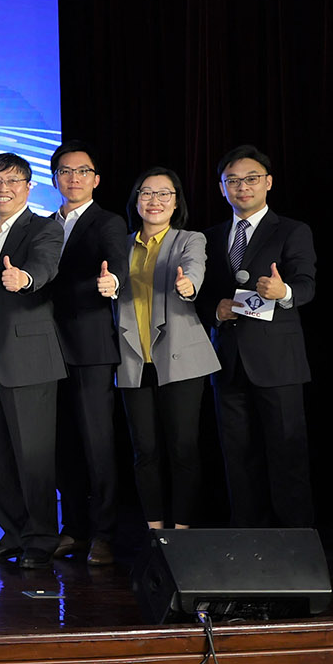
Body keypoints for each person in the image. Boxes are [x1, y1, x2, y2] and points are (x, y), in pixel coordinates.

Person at [201, 144, 317, 528]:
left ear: (268, 182)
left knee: (288, 456)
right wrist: (214, 310)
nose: (242, 187)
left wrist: (283, 292)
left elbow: (307, 285)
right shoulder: (210, 236)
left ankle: (295, 544)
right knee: (237, 459)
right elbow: (202, 295)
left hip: (277, 363)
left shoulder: (292, 230)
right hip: (227, 362)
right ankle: (248, 540)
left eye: (251, 178)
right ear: (222, 188)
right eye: (232, 180)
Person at [0, 152, 66, 570]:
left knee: (33, 452)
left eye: (12, 181)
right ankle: (13, 532)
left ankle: (41, 538)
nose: (2, 188)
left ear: (28, 187)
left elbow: (45, 266)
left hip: (27, 354)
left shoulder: (44, 227)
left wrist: (24, 279)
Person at [116, 167, 218, 530]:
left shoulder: (189, 239)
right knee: (144, 451)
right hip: (133, 358)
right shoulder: (121, 244)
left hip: (181, 358)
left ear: (176, 203)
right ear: (136, 201)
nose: (154, 200)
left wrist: (189, 286)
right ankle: (155, 532)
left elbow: (194, 270)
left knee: (183, 449)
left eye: (164, 194)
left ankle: (183, 532)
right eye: (146, 193)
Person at [46, 141, 129, 566]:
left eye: (82, 171)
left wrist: (112, 283)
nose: (73, 178)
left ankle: (105, 533)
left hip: (91, 345)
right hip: (46, 347)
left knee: (97, 443)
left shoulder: (107, 222)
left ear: (95, 179)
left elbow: (118, 265)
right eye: (65, 171)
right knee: (62, 444)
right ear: (54, 178)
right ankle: (74, 528)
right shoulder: (43, 224)